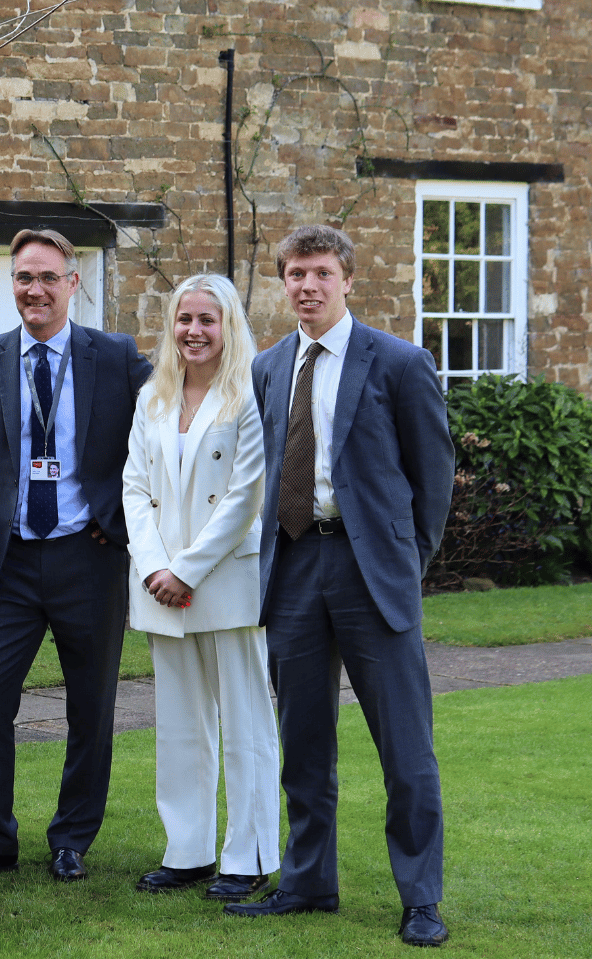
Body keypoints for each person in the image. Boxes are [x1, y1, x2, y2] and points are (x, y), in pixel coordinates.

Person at [223, 226, 455, 948]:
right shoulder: (268, 365)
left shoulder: (399, 361)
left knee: (405, 748)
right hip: (292, 566)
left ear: (348, 280)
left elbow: (434, 474)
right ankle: (307, 882)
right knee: (303, 741)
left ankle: (420, 898)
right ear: (283, 282)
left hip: (371, 573)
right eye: (295, 273)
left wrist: (407, 560)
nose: (307, 286)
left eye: (321, 272)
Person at [0, 228, 151, 882]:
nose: (35, 290)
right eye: (23, 278)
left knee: (90, 706)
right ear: (11, 285)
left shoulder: (117, 356)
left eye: (48, 277)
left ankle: (71, 835)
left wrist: (124, 520)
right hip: (9, 559)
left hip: (88, 556)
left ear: (73, 283)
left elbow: (162, 433)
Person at [122, 274, 280, 902]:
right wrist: (155, 567)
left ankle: (251, 854)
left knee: (246, 723)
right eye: (183, 319)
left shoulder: (248, 395)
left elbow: (245, 497)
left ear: (229, 326)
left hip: (226, 579)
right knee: (181, 725)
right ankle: (187, 850)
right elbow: (134, 487)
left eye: (206, 320)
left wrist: (184, 570)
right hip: (161, 584)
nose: (193, 331)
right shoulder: (153, 397)